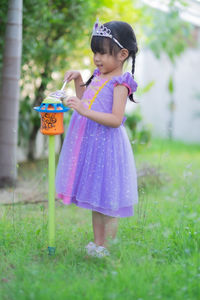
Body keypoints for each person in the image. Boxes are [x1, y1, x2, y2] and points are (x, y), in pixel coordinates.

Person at [55, 19, 138, 258]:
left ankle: (108, 248)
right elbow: (87, 99)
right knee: (95, 197)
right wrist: (78, 80)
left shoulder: (120, 83)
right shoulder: (98, 76)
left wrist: (84, 110)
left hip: (108, 147)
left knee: (107, 201)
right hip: (92, 146)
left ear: (122, 54)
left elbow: (115, 118)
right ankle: (97, 243)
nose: (97, 58)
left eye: (102, 53)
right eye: (95, 53)